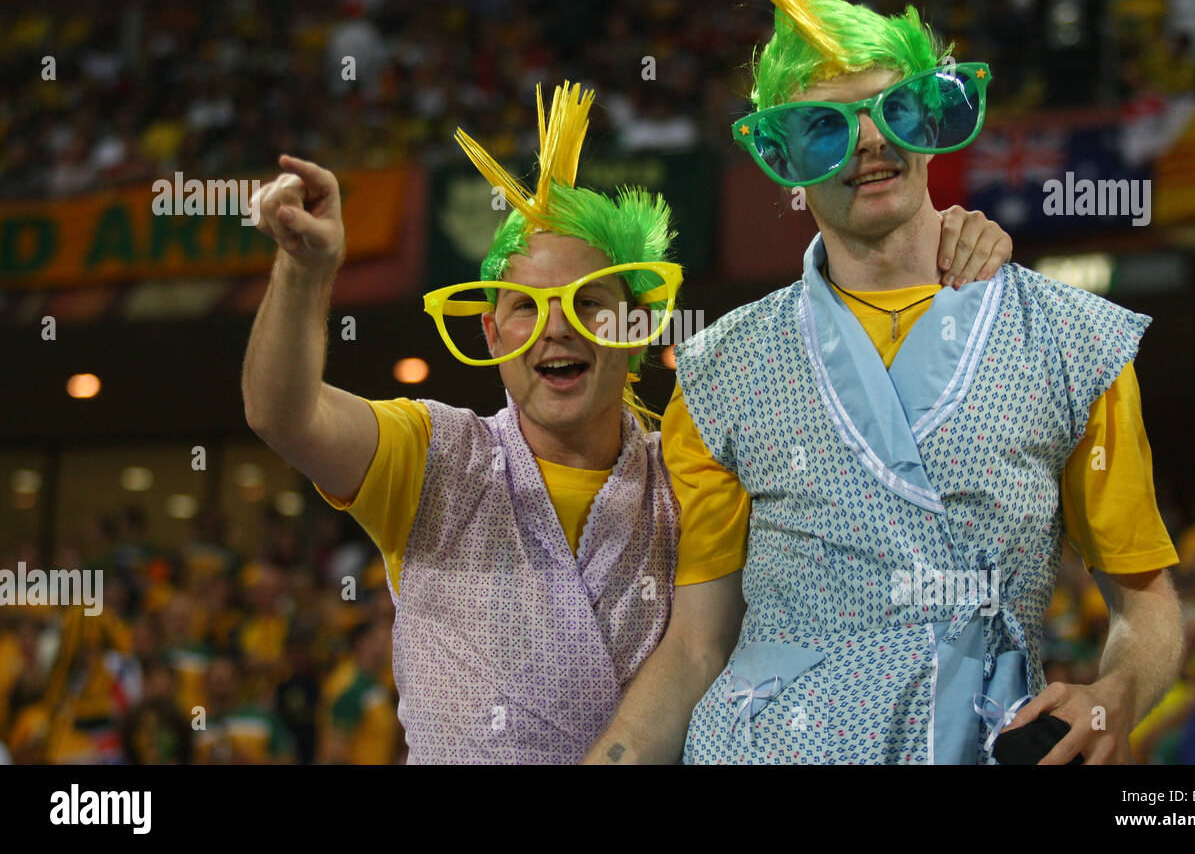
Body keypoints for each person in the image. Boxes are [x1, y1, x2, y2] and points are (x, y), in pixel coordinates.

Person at [243, 81, 1007, 763]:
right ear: (490, 335)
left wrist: (934, 257)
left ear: (637, 326)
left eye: (588, 304)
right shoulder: (432, 457)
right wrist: (303, 273)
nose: (557, 330)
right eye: (525, 309)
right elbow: (283, 413)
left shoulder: (694, 474)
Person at [585, 0, 1182, 765]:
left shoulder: (1068, 342)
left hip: (982, 741)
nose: (870, 143)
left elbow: (1146, 599)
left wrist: (1118, 694)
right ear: (784, 156)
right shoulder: (720, 369)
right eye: (826, 126)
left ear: (930, 120)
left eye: (895, 110)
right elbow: (696, 647)